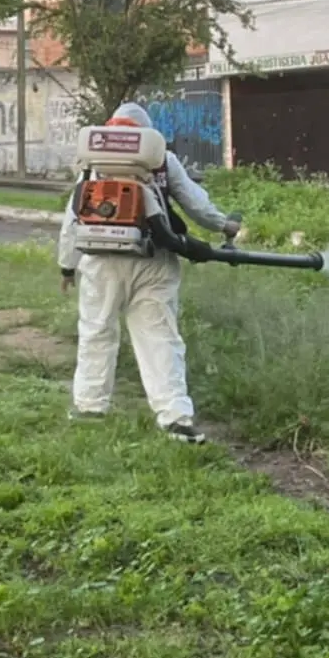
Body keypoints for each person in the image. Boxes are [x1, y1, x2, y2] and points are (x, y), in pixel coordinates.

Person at [57, 101, 240, 444]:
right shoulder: (160, 159)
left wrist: (67, 266)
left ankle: (90, 408)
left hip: (101, 260)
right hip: (154, 259)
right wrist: (224, 225)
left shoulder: (93, 163)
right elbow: (195, 204)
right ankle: (175, 418)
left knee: (97, 331)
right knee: (159, 338)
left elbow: (73, 219)